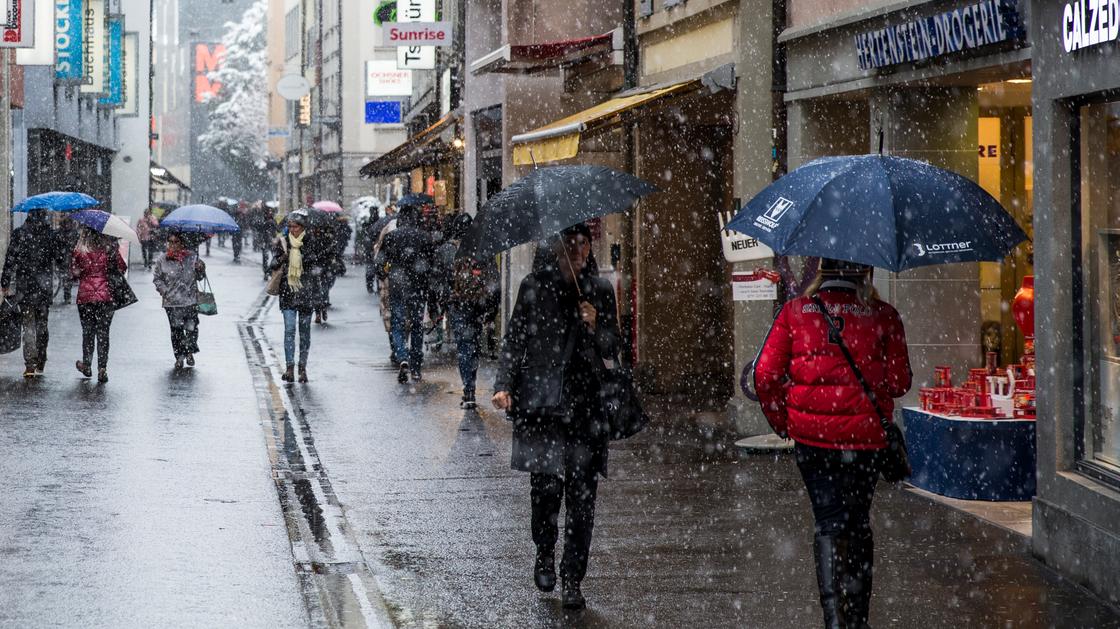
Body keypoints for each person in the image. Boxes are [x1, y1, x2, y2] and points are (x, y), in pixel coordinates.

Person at [754, 258, 912, 629]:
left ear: (821, 270)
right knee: (857, 524)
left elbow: (765, 376)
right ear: (866, 269)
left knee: (828, 524)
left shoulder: (795, 312)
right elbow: (900, 382)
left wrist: (784, 422)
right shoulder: (884, 314)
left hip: (814, 441)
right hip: (866, 442)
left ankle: (835, 621)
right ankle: (857, 619)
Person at [491, 224, 620, 611]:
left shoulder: (599, 290)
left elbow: (614, 347)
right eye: (571, 243)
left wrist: (597, 324)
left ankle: (572, 578)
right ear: (557, 247)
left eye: (584, 244)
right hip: (542, 405)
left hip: (585, 409)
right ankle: (544, 552)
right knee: (545, 491)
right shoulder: (534, 287)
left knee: (582, 500)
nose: (578, 251)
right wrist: (504, 384)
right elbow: (515, 340)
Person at [1, 211, 66, 377]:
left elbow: (10, 259)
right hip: (44, 288)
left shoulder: (19, 234)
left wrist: (5, 282)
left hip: (25, 288)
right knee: (42, 324)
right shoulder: (50, 235)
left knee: (28, 325)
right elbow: (59, 258)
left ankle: (30, 363)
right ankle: (41, 358)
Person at [269, 210, 328, 382]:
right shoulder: (283, 242)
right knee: (289, 330)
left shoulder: (311, 242)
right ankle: (289, 368)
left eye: (295, 226)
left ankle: (303, 368)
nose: (292, 229)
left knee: (304, 332)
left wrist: (303, 258)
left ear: (302, 227)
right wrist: (282, 259)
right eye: (290, 226)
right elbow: (272, 264)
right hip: (288, 292)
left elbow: (318, 265)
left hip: (306, 293)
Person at [377, 205, 434, 383]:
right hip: (418, 286)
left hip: (398, 285)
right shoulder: (424, 237)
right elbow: (432, 263)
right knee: (417, 325)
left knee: (398, 323)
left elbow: (380, 262)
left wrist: (385, 274)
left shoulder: (392, 236)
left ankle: (402, 355)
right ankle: (416, 366)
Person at [448, 215, 496, 409]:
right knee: (473, 347)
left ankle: (468, 389)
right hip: (477, 306)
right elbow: (494, 283)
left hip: (458, 305)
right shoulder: (483, 251)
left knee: (463, 348)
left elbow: (440, 280)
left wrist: (441, 303)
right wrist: (491, 310)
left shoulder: (450, 250)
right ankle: (471, 387)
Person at [70, 229, 126, 382]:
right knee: (103, 333)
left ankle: (87, 364)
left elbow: (73, 273)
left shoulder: (80, 249)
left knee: (88, 331)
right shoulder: (109, 248)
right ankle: (102, 368)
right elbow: (122, 268)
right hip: (106, 296)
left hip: (86, 297)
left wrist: (81, 272)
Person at [153, 232, 207, 370]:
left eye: (176, 241)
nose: (173, 245)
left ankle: (189, 351)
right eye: (170, 242)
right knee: (176, 331)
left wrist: (201, 269)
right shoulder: (162, 259)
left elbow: (200, 277)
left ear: (182, 243)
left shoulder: (192, 257)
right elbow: (157, 279)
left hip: (190, 301)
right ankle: (179, 357)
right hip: (172, 303)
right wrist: (165, 291)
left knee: (191, 328)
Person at [57, 217, 81, 304]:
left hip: (70, 258)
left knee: (68, 278)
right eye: (66, 224)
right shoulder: (60, 233)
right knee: (66, 278)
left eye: (68, 223)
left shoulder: (74, 233)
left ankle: (67, 296)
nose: (67, 225)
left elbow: (78, 245)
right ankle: (67, 295)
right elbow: (57, 246)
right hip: (63, 258)